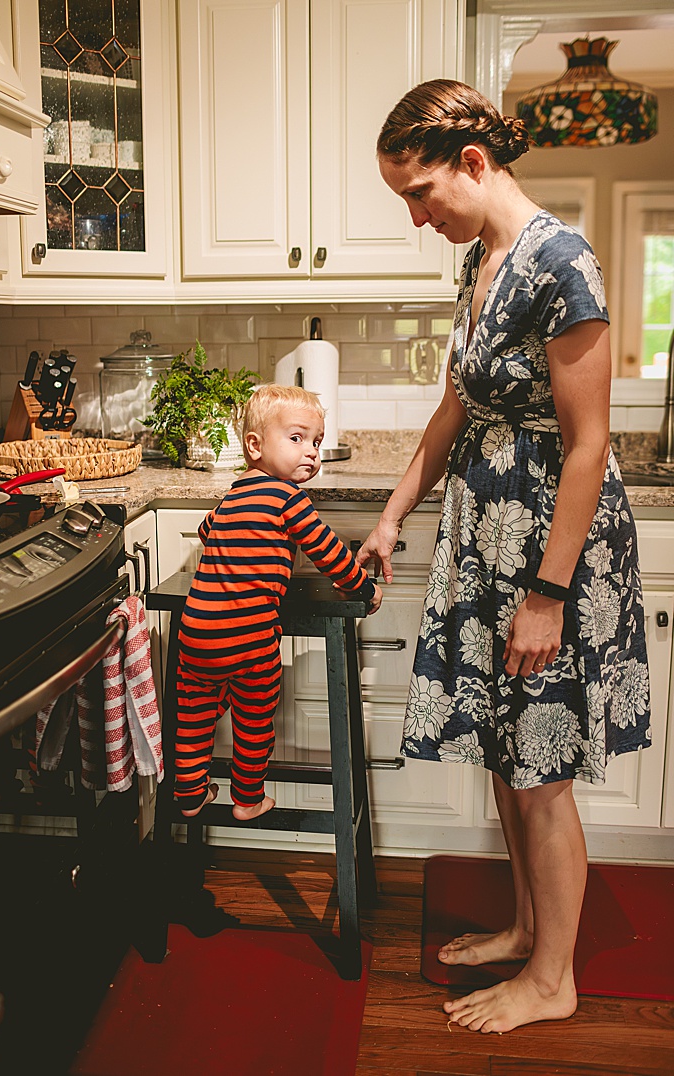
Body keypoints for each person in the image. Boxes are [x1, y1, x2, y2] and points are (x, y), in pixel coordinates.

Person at [360, 79, 650, 1035]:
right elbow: (457, 406)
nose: (415, 215)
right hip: (483, 535)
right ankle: (530, 928)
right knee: (505, 746)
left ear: (473, 165)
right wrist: (396, 511)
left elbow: (588, 442)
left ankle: (553, 980)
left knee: (544, 762)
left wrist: (549, 594)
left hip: (546, 548)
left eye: (420, 193)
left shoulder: (563, 261)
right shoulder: (482, 260)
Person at [173, 384, 382, 821]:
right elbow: (328, 552)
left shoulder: (231, 496)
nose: (311, 452)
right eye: (297, 438)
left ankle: (189, 793)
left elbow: (207, 531)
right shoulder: (289, 498)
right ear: (254, 445)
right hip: (249, 637)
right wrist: (362, 587)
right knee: (254, 720)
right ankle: (248, 800)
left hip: (196, 632)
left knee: (193, 716)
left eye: (317, 442)